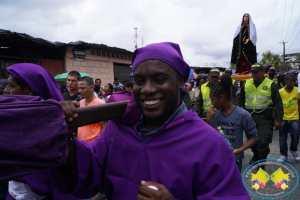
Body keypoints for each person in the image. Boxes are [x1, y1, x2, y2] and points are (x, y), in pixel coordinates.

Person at [53, 42, 250, 199]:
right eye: (139, 81)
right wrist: (66, 136)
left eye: (159, 79)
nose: (147, 89)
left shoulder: (209, 143)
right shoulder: (118, 130)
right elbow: (86, 171)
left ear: (180, 82)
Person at [3, 63, 78, 200]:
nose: (6, 90)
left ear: (29, 90)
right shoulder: (9, 120)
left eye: (12, 86)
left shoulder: (57, 126)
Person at [206, 74, 258, 172]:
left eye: (213, 100)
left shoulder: (242, 115)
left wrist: (240, 150)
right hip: (217, 158)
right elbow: (211, 137)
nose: (212, 103)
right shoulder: (214, 114)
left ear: (221, 98)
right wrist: (208, 121)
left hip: (234, 160)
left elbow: (254, 137)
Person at [238, 64, 283, 164]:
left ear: (263, 72)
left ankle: (261, 165)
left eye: (256, 72)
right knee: (251, 141)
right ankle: (256, 156)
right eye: (252, 72)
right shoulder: (246, 83)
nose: (254, 74)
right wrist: (239, 109)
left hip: (265, 118)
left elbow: (278, 103)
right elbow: (240, 98)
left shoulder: (271, 84)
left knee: (263, 142)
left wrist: (279, 119)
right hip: (249, 117)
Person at [278, 73, 300, 161]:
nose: (293, 82)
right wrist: (277, 118)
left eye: (294, 81)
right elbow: (278, 105)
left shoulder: (297, 90)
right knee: (282, 137)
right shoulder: (280, 92)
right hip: (283, 118)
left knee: (295, 136)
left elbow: (299, 104)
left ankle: (293, 149)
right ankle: (283, 154)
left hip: (295, 117)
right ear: (285, 81)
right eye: (290, 81)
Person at [77, 77, 106, 142]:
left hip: (94, 144)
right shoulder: (80, 102)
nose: (79, 91)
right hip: (80, 144)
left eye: (82, 88)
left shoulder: (100, 104)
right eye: (78, 88)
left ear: (92, 87)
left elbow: (104, 129)